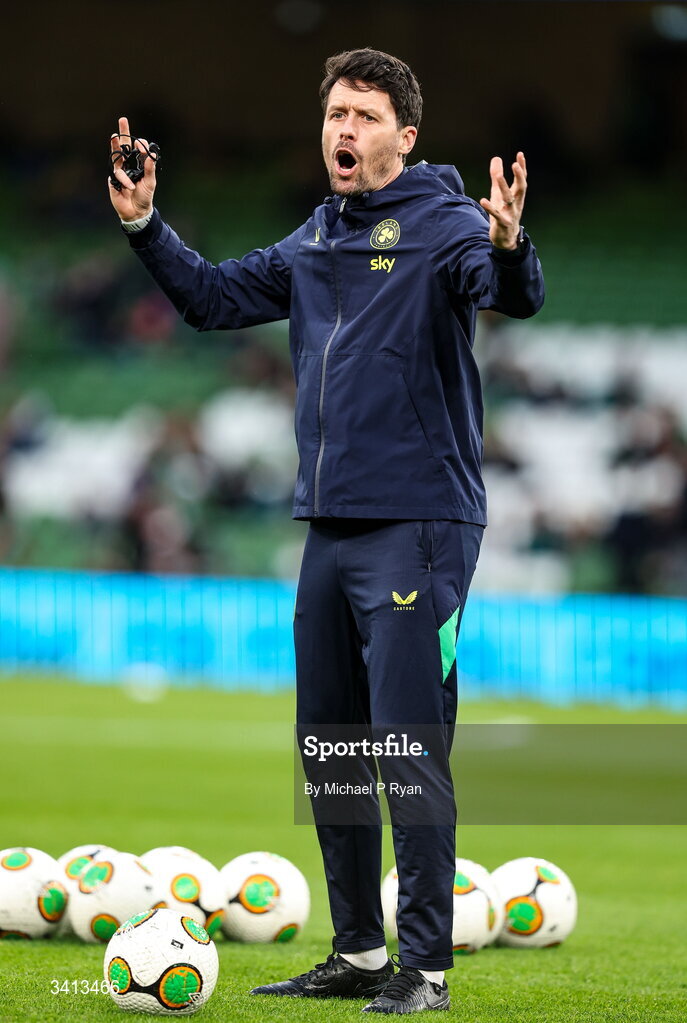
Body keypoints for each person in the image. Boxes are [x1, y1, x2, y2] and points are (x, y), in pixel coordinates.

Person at [109, 48, 544, 1015]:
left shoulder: (443, 226)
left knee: (403, 746)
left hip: (417, 525)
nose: (342, 130)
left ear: (405, 137)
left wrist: (511, 245)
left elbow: (505, 288)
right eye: (334, 113)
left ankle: (423, 967)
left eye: (363, 115)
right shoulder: (316, 237)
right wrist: (145, 225)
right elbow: (214, 298)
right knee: (333, 748)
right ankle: (354, 950)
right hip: (330, 527)